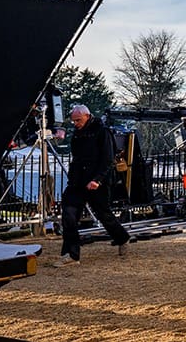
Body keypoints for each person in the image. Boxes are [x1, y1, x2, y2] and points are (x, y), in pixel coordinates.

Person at [54, 104, 130, 267]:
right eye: (73, 121)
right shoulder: (77, 134)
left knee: (103, 214)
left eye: (78, 120)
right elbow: (76, 157)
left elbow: (108, 159)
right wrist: (73, 177)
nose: (76, 123)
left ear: (87, 116)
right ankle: (70, 254)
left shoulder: (102, 132)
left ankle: (122, 237)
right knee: (69, 215)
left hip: (97, 181)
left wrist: (98, 179)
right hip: (78, 181)